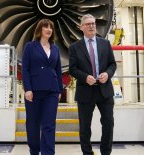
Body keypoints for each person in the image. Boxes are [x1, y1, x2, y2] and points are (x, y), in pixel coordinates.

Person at [69, 14, 117, 155]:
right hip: (85, 91)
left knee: (108, 124)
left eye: (93, 23)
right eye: (88, 24)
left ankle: (106, 152)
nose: (91, 26)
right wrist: (85, 77)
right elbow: (72, 69)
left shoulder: (105, 43)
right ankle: (87, 153)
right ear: (82, 27)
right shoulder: (74, 47)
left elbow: (112, 64)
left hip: (105, 91)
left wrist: (107, 74)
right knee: (85, 127)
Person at [22, 19, 63, 155]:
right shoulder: (30, 46)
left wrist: (59, 90)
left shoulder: (55, 48)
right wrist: (27, 89)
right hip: (34, 91)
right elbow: (25, 69)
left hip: (51, 91)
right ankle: (34, 150)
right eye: (46, 26)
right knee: (33, 125)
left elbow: (58, 70)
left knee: (49, 126)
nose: (49, 29)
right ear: (39, 30)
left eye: (51, 27)